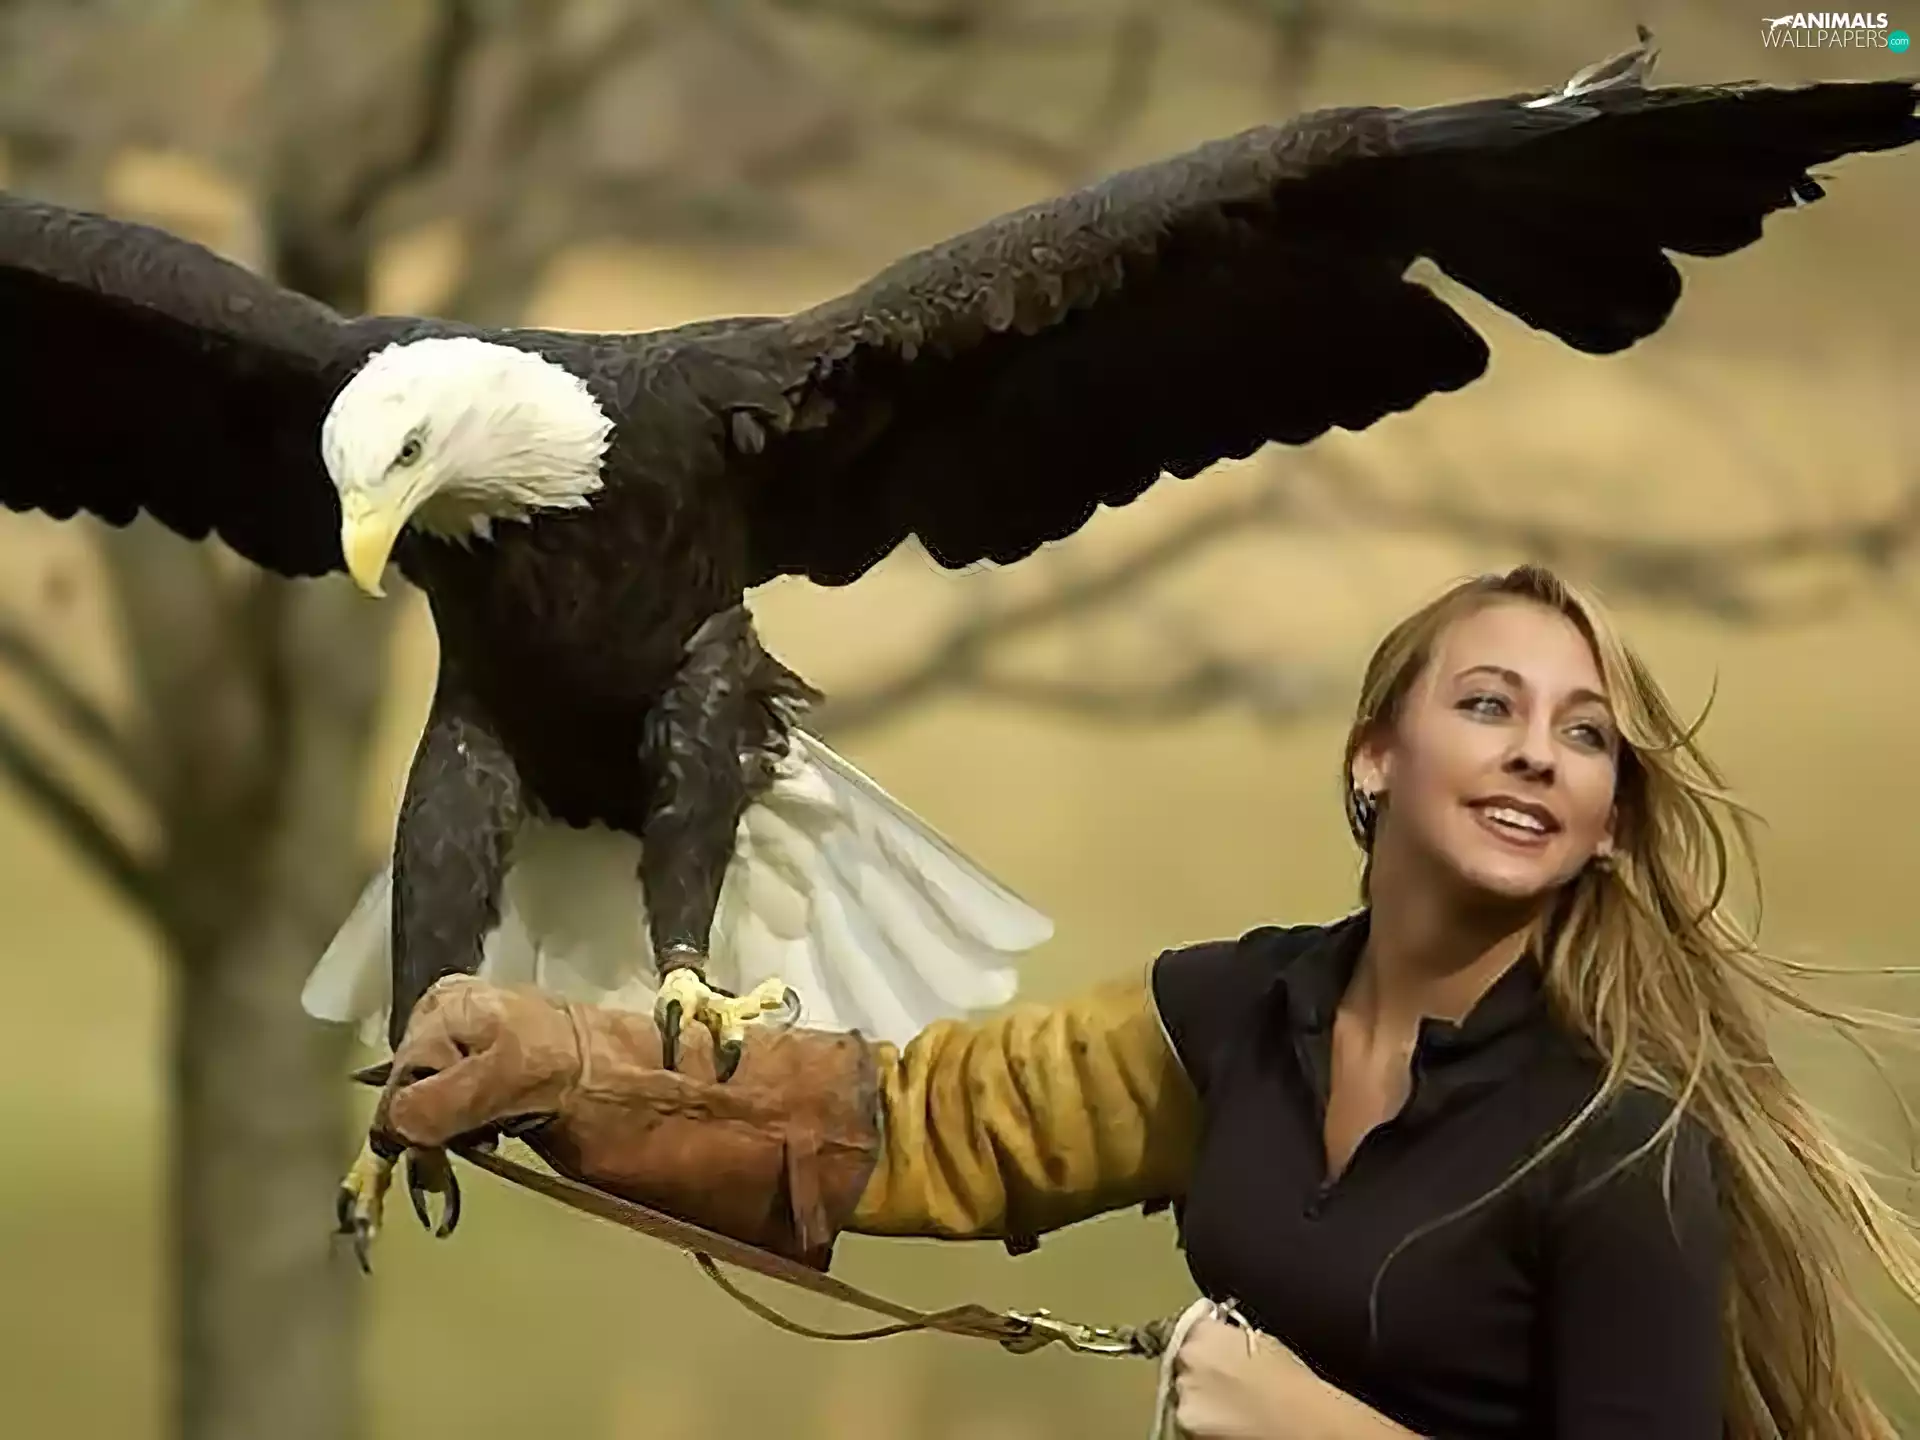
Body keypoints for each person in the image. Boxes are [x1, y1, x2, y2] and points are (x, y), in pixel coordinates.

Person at [364, 563, 1920, 1439]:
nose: (1536, 752)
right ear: (1375, 755)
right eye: (1489, 705)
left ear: (1604, 814)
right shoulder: (1241, 1013)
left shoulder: (1617, 1152)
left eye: (1582, 738)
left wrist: (1312, 1431)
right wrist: (567, 1060)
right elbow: (920, 1125)